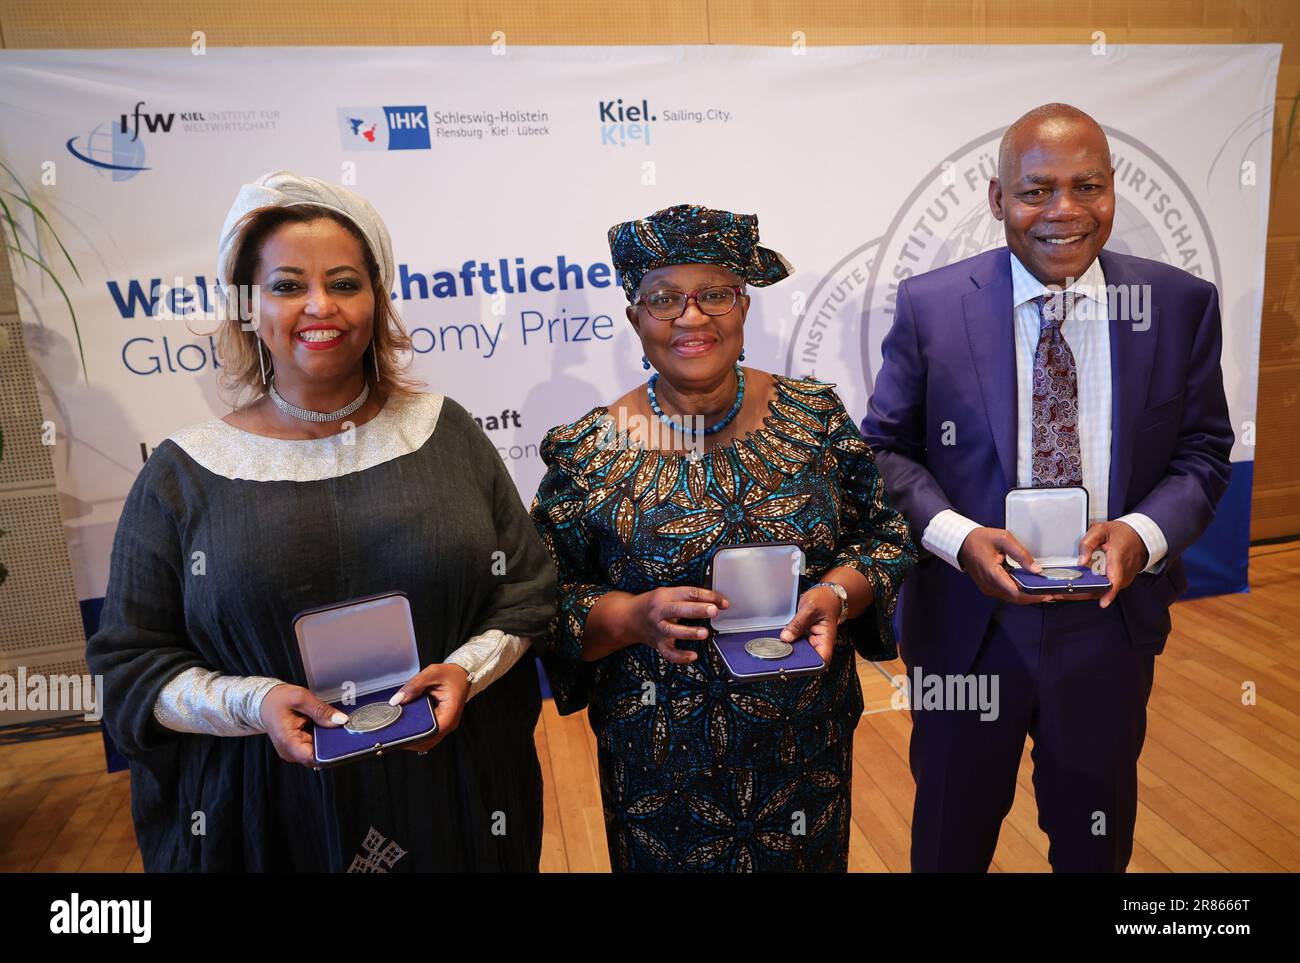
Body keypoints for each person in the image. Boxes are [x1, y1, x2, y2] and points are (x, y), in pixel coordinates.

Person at [86, 170, 556, 872]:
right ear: (246, 306)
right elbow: (131, 666)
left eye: (343, 282)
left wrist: (463, 670)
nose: (319, 306)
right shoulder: (183, 476)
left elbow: (526, 593)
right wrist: (256, 701)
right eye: (286, 285)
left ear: (377, 299)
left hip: (452, 793)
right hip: (269, 817)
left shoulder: (446, 432)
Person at [861, 104, 1234, 872]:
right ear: (999, 201)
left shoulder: (1177, 305)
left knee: (1095, 842)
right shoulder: (933, 306)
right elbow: (886, 453)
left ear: (1112, 192)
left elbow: (1202, 452)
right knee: (948, 840)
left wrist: (1143, 534)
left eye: (1086, 186)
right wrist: (960, 539)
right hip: (971, 627)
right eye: (1036, 191)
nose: (1064, 211)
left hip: (1108, 625)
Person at [531, 203, 916, 872]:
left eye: (714, 293)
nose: (691, 316)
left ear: (743, 306)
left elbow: (885, 539)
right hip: (659, 775)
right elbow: (545, 603)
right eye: (664, 298)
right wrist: (630, 616)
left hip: (804, 754)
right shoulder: (589, 451)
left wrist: (836, 593)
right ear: (634, 317)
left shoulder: (814, 416)